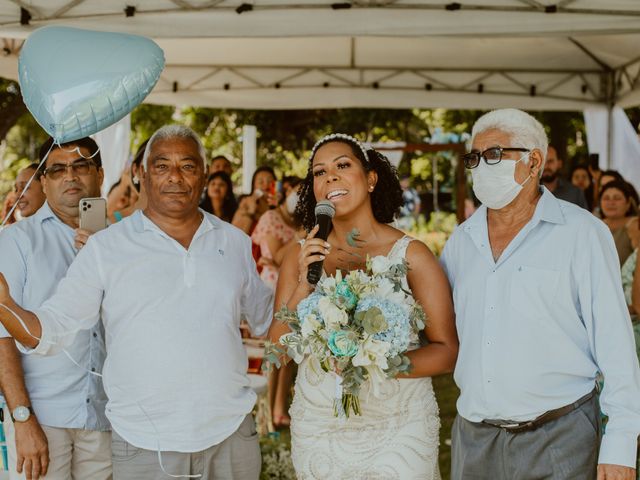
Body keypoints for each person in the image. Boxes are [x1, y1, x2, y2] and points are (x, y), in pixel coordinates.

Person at [0, 124, 273, 480]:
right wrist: (5, 305)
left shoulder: (234, 242)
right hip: (140, 438)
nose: (175, 177)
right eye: (161, 166)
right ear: (140, 174)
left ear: (205, 175)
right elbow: (51, 330)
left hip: (227, 432)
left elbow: (271, 321)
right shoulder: (103, 245)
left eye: (187, 166)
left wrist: (310, 288)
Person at [441, 108, 640, 480]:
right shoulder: (461, 241)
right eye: (475, 157)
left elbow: (615, 341)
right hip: (474, 437)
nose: (482, 166)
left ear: (534, 162)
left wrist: (622, 441)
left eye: (495, 155)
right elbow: (441, 327)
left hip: (560, 435)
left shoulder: (582, 233)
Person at [269, 133, 458, 478]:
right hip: (320, 426)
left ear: (371, 179)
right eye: (320, 172)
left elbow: (446, 352)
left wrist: (376, 363)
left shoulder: (412, 256)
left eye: (343, 165)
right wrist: (303, 285)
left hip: (399, 426)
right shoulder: (300, 256)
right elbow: (277, 350)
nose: (331, 177)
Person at [0, 137, 111, 480]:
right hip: (43, 418)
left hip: (108, 416)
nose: (71, 176)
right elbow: (2, 336)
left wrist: (107, 257)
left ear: (99, 174)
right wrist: (22, 417)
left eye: (81, 166)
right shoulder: (17, 241)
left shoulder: (122, 240)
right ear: (44, 181)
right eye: (58, 169)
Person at [251, 177, 302, 429]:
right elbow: (279, 256)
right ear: (286, 192)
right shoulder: (271, 219)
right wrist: (299, 239)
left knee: (288, 352)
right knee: (274, 352)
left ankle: (281, 408)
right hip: (271, 290)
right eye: (296, 192)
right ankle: (268, 413)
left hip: (295, 290)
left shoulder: (299, 222)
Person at [599, 180, 639, 266]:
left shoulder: (635, 225)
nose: (611, 203)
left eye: (617, 198)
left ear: (628, 203)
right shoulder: (595, 225)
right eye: (606, 198)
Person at [232, 166, 277, 236]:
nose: (266, 185)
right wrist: (251, 211)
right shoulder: (245, 203)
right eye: (260, 182)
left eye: (270, 181)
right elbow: (235, 236)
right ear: (253, 186)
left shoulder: (279, 206)